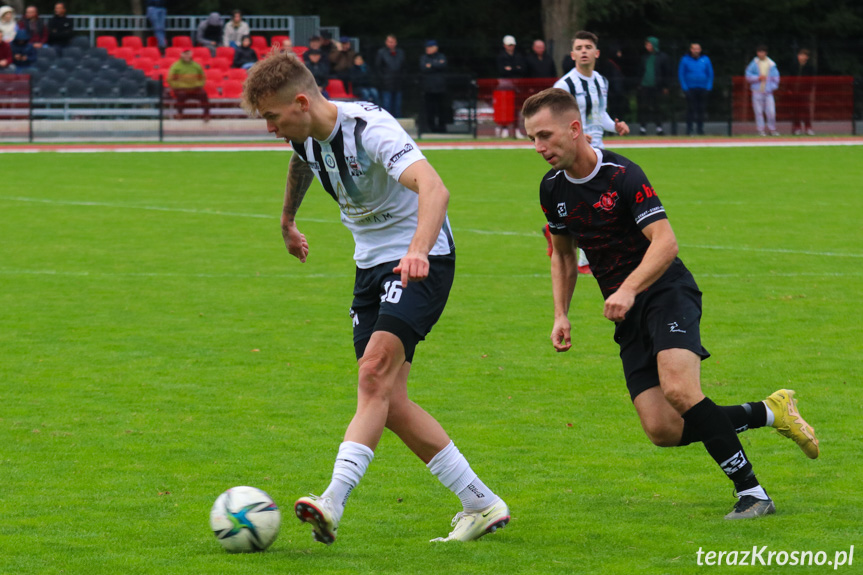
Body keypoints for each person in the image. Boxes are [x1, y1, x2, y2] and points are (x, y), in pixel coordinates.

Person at [240, 51, 510, 545]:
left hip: (420, 260)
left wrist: (417, 250)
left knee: (372, 374)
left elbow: (434, 187)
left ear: (301, 102)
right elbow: (300, 163)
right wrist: (287, 221)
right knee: (387, 398)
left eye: (273, 118)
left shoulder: (370, 130)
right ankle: (480, 502)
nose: (270, 128)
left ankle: (332, 502)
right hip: (370, 266)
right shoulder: (305, 137)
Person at [522, 87, 819, 520]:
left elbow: (665, 242)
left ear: (574, 128)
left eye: (545, 135)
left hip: (665, 290)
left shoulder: (622, 174)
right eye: (531, 138)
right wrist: (561, 313)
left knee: (681, 389)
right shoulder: (552, 189)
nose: (539, 148)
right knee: (662, 429)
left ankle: (753, 494)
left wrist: (628, 288)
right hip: (627, 311)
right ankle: (768, 412)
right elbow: (564, 256)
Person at [551, 31, 629, 275]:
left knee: (597, 198)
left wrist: (615, 126)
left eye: (588, 47)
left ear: (596, 53)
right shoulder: (564, 85)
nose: (583, 51)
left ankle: (572, 243)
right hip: (574, 151)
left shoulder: (601, 81)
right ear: (572, 54)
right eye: (579, 47)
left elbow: (600, 115)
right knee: (589, 199)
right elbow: (554, 119)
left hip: (598, 149)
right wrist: (573, 134)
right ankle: (585, 255)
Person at [678, 42, 713, 136]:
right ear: (691, 49)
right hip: (690, 89)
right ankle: (689, 129)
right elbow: (681, 74)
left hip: (703, 88)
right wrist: (685, 88)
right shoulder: (685, 59)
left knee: (701, 109)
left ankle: (700, 129)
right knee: (690, 109)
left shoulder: (705, 59)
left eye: (698, 49)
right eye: (694, 49)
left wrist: (708, 87)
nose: (696, 51)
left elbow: (710, 74)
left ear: (700, 50)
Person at [637, 36, 670, 135]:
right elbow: (640, 71)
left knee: (657, 107)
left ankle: (659, 128)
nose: (647, 46)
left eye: (649, 44)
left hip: (657, 87)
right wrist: (639, 84)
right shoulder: (644, 57)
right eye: (646, 44)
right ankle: (643, 128)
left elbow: (666, 72)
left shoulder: (663, 57)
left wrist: (665, 86)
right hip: (644, 86)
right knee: (643, 107)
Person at [745, 45, 780, 136]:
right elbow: (748, 76)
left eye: (763, 52)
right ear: (757, 53)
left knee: (771, 111)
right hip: (757, 91)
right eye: (759, 52)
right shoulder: (753, 63)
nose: (761, 54)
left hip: (768, 92)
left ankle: (772, 129)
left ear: (766, 53)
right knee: (758, 111)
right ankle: (761, 130)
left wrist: (771, 87)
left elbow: (776, 78)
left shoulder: (771, 64)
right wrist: (757, 78)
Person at [167, 48, 210, 121]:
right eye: (185, 54)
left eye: (188, 54)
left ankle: (206, 115)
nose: (187, 56)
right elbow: (170, 79)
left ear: (191, 54)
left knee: (203, 94)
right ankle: (180, 114)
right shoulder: (175, 66)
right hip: (181, 89)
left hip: (195, 88)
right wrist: (178, 86)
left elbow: (202, 77)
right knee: (181, 95)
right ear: (181, 55)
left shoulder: (196, 66)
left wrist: (198, 84)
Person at [419, 40, 447, 133]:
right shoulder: (424, 57)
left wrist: (430, 65)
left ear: (435, 48)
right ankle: (431, 128)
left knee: (441, 109)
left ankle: (442, 128)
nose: (427, 49)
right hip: (428, 88)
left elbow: (443, 65)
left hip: (440, 88)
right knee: (430, 109)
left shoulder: (441, 56)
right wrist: (436, 65)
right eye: (427, 47)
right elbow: (423, 68)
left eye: (430, 47)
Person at [375, 34, 405, 117]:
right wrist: (383, 79)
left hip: (398, 82)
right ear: (386, 42)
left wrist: (402, 78)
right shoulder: (381, 52)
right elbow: (378, 67)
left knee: (397, 105)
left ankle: (398, 123)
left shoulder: (400, 52)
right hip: (386, 82)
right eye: (390, 42)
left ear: (396, 43)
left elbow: (403, 67)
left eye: (393, 42)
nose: (391, 44)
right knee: (386, 104)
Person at [790, 48, 815, 136]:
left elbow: (811, 81)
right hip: (795, 92)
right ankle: (797, 127)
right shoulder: (794, 66)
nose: (801, 57)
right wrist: (790, 90)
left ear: (807, 57)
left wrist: (809, 91)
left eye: (803, 55)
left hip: (805, 92)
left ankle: (808, 128)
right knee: (796, 110)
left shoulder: (810, 68)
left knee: (806, 110)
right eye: (800, 55)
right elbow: (790, 79)